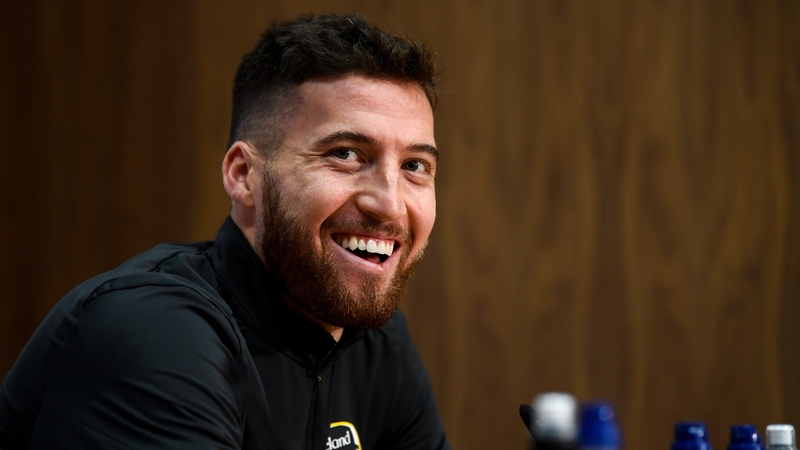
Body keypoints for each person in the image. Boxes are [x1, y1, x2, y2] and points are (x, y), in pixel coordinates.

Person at [0, 13, 450, 450]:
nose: (390, 203)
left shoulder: (377, 342)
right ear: (243, 175)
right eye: (346, 154)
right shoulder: (155, 329)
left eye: (414, 166)